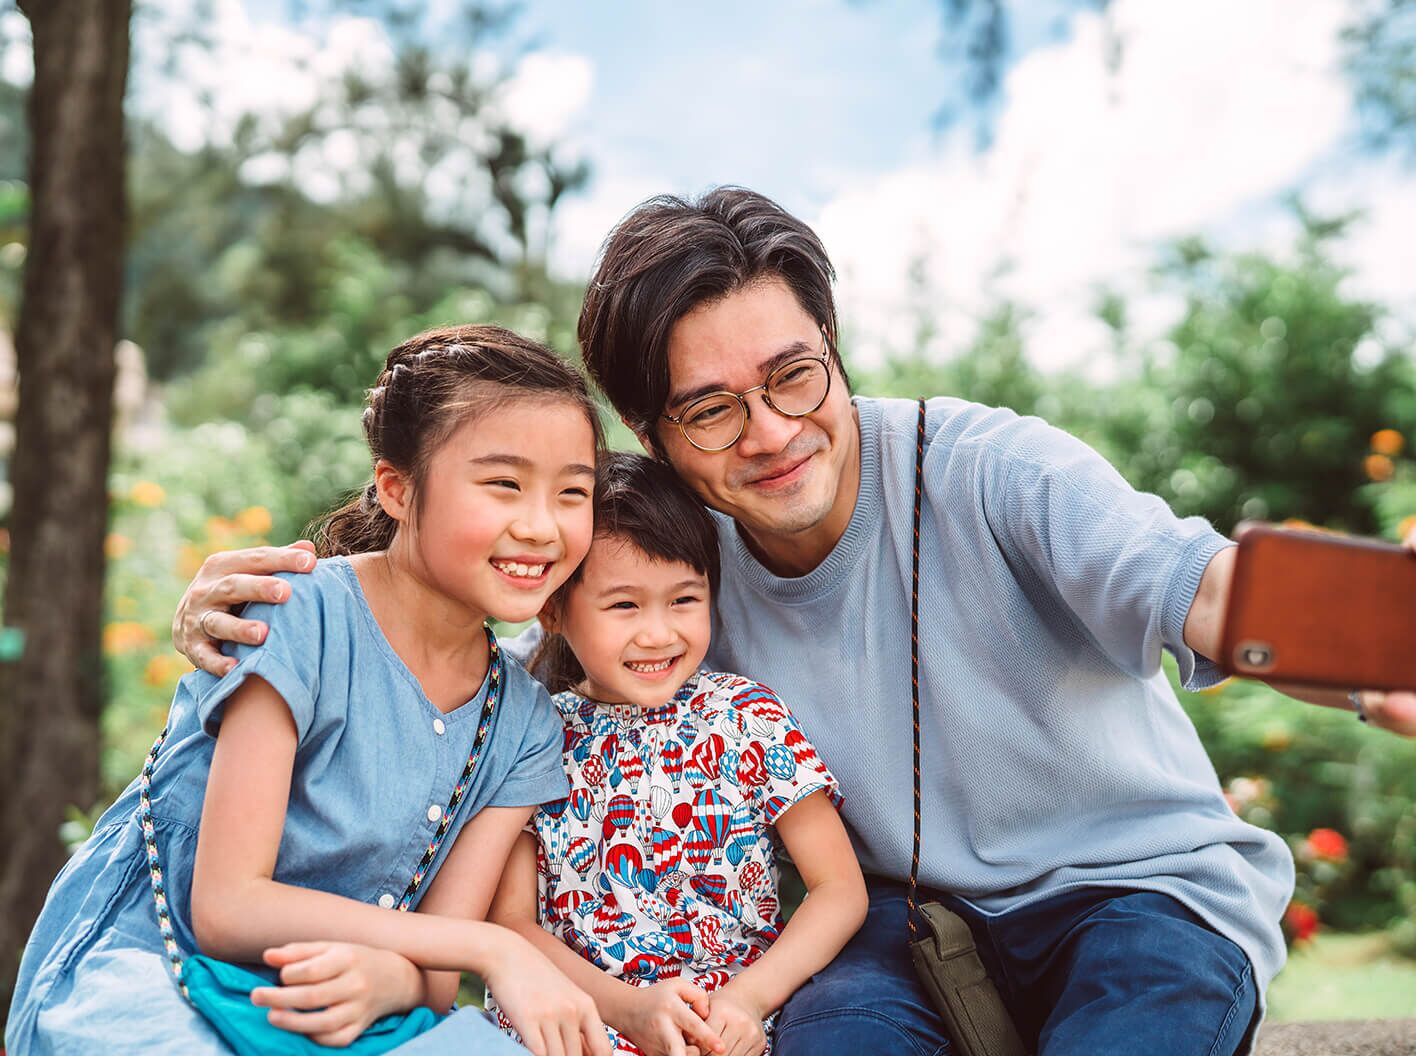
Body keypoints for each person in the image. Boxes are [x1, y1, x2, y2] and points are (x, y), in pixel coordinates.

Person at [169, 189, 1416, 1056]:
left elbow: (1197, 586)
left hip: (1142, 894)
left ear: (833, 347)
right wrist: (268, 599)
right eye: (710, 410)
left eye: (793, 376)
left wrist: (1375, 662)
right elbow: (486, 623)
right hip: (894, 923)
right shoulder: (677, 568)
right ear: (654, 441)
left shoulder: (994, 469)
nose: (769, 432)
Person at [7, 325, 613, 1056]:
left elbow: (433, 977)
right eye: (503, 484)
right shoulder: (297, 616)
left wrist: (394, 977)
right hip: (151, 971)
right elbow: (228, 905)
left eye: (572, 493)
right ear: (397, 487)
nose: (541, 526)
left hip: (337, 1006)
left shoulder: (521, 721)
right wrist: (496, 949)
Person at [485, 452, 867, 1056]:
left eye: (684, 600)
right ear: (553, 608)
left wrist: (749, 999)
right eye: (624, 606)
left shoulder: (746, 716)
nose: (659, 633)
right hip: (578, 1022)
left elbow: (839, 888)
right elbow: (512, 924)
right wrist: (628, 1009)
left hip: (730, 1027)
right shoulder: (529, 734)